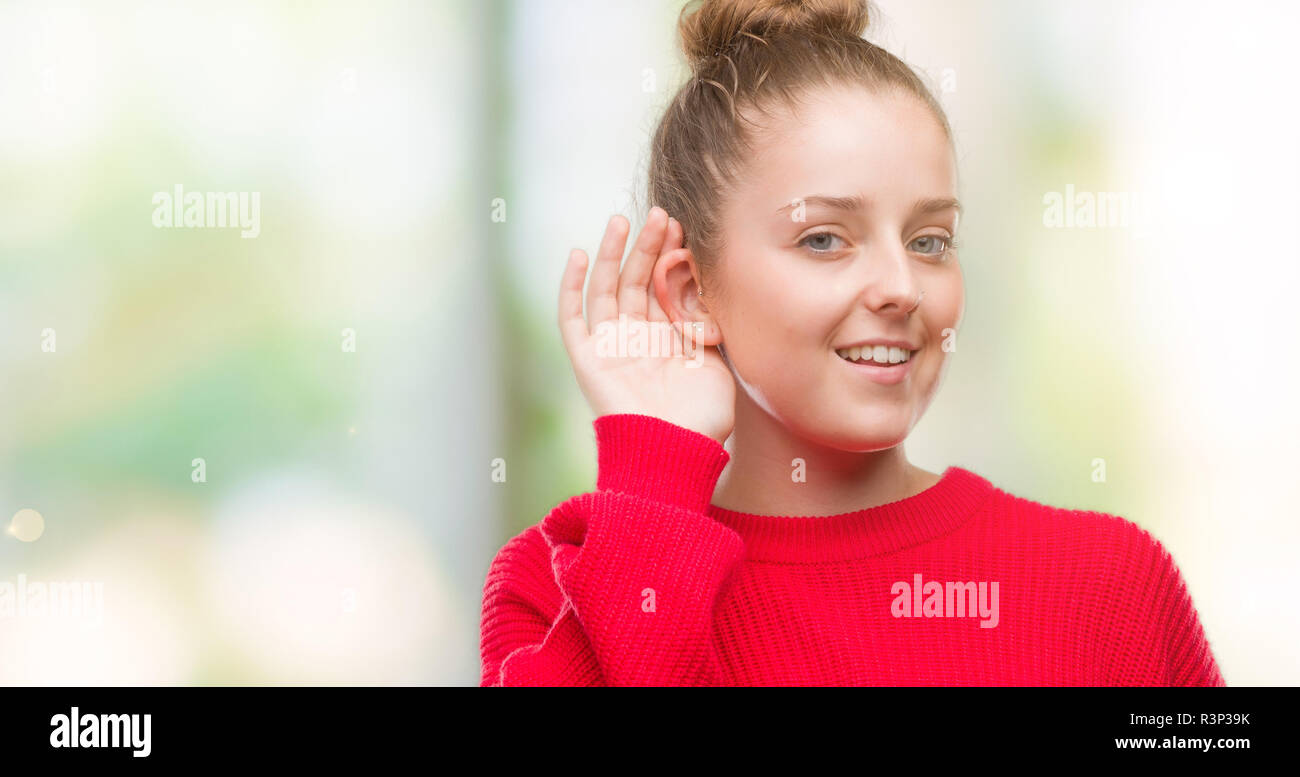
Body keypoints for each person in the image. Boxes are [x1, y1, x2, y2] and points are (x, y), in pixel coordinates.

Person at [479, 0, 1225, 686]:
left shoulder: (1111, 583)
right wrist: (654, 463)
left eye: (929, 240)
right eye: (825, 239)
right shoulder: (557, 586)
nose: (902, 286)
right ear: (689, 293)